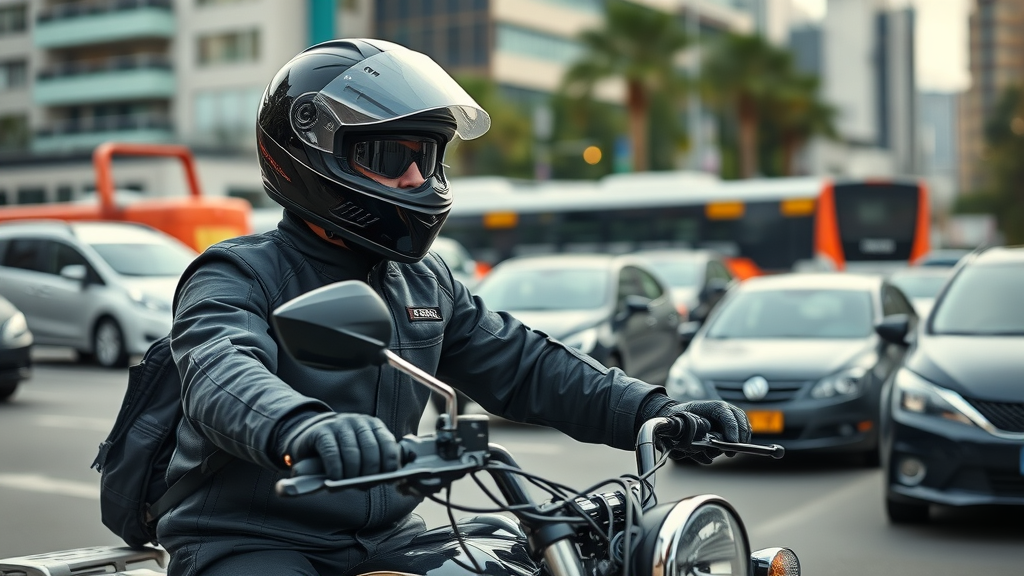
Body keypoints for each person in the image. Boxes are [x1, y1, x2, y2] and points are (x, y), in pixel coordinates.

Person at [160, 38, 751, 576]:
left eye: (429, 155)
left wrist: (654, 409)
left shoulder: (423, 280)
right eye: (392, 158)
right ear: (316, 152)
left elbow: (524, 365)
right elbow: (222, 374)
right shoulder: (238, 273)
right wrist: (304, 426)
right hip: (253, 540)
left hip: (388, 536)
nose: (420, 177)